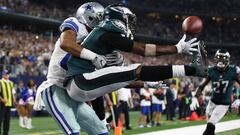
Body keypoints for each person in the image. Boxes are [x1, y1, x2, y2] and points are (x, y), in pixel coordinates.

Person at [65, 4, 207, 104]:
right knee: (136, 69)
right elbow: (143, 50)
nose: (131, 25)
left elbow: (119, 81)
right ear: (120, 18)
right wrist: (176, 48)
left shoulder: (105, 44)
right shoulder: (106, 33)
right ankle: (191, 69)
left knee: (100, 130)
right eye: (128, 19)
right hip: (80, 80)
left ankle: (102, 123)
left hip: (83, 85)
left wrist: (145, 84)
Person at [34, 2, 112, 135]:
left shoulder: (96, 44)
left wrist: (102, 120)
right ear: (90, 17)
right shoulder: (75, 24)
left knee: (102, 132)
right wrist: (93, 56)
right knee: (73, 132)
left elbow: (96, 89)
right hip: (55, 88)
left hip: (74, 95)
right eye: (100, 18)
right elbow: (66, 43)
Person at [191, 49, 240, 135]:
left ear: (227, 60)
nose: (220, 61)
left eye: (222, 59)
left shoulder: (233, 71)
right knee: (210, 125)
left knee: (210, 125)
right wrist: (195, 97)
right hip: (212, 102)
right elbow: (201, 86)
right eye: (218, 59)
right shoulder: (211, 70)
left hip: (224, 103)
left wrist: (239, 99)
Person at [0, 70, 16, 135]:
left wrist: (14, 100)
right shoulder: (0, 82)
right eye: (5, 74)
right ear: (2, 75)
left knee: (7, 120)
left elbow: (13, 93)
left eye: (7, 74)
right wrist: (1, 99)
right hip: (1, 105)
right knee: (0, 120)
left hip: (9, 104)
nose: (7, 75)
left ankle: (5, 133)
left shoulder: (11, 83)